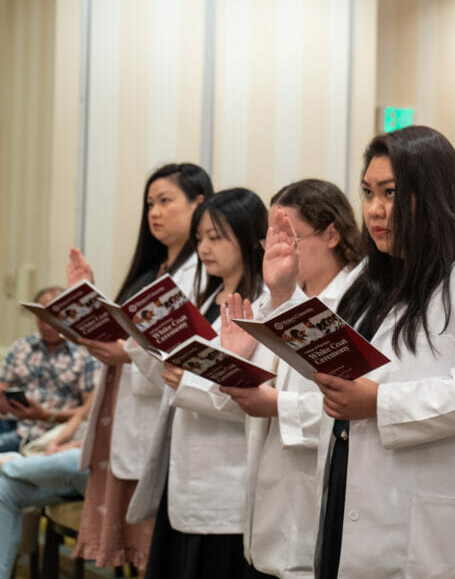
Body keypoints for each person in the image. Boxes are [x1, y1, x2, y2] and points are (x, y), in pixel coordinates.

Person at [308, 126, 455, 579]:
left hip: (441, 536)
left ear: (433, 195)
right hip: (351, 498)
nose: (374, 209)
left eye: (391, 193)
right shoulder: (366, 282)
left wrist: (378, 403)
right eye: (368, 192)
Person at [219, 179, 366, 579]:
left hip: (318, 500)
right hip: (268, 496)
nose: (279, 250)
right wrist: (232, 362)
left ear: (332, 233)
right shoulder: (274, 302)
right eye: (273, 239)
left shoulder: (359, 304)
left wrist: (276, 406)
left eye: (291, 237)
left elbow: (360, 405)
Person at [70, 162, 212, 571]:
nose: (154, 212)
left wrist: (126, 354)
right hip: (125, 415)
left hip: (160, 423)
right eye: (150, 203)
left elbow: (182, 355)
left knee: (154, 553)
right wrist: (86, 300)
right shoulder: (151, 273)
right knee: (129, 556)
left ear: (198, 204)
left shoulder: (200, 278)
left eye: (166, 201)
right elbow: (127, 336)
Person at [136, 187, 269, 578]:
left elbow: (253, 399)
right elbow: (171, 381)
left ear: (248, 237)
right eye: (200, 239)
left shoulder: (260, 306)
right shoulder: (206, 299)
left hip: (226, 484)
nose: (205, 248)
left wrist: (188, 383)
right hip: (184, 478)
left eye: (216, 237)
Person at [0, 393, 93, 579]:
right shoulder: (110, 372)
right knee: (4, 489)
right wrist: (56, 443)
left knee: (75, 460)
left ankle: (9, 464)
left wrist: (68, 448)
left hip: (101, 471)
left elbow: (111, 444)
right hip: (67, 469)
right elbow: (81, 417)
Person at [0, 287, 98, 453]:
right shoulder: (21, 347)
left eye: (53, 318)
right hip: (16, 425)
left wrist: (46, 415)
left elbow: (88, 412)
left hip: (53, 435)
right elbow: (3, 388)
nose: (47, 325)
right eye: (42, 318)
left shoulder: (85, 354)